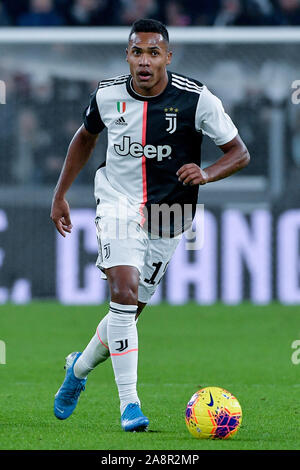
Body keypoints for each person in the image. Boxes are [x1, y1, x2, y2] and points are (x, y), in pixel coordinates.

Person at [50, 18, 250, 432]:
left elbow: (239, 152)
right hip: (118, 203)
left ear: (167, 58)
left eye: (153, 52)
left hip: (169, 217)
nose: (144, 60)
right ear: (127, 55)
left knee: (128, 313)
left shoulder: (197, 99)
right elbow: (84, 139)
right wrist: (60, 195)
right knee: (121, 293)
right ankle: (130, 407)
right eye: (137, 52)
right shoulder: (106, 96)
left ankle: (78, 368)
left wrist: (208, 173)